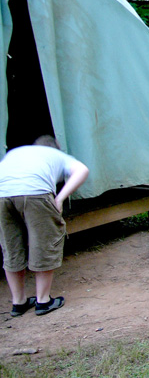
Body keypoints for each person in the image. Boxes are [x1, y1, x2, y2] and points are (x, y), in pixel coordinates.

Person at [0, 135, 89, 316]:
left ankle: (19, 302)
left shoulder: (15, 153)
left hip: (2, 195)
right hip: (35, 192)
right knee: (44, 242)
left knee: (11, 247)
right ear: (55, 148)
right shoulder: (56, 155)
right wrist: (60, 198)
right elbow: (82, 170)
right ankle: (43, 300)